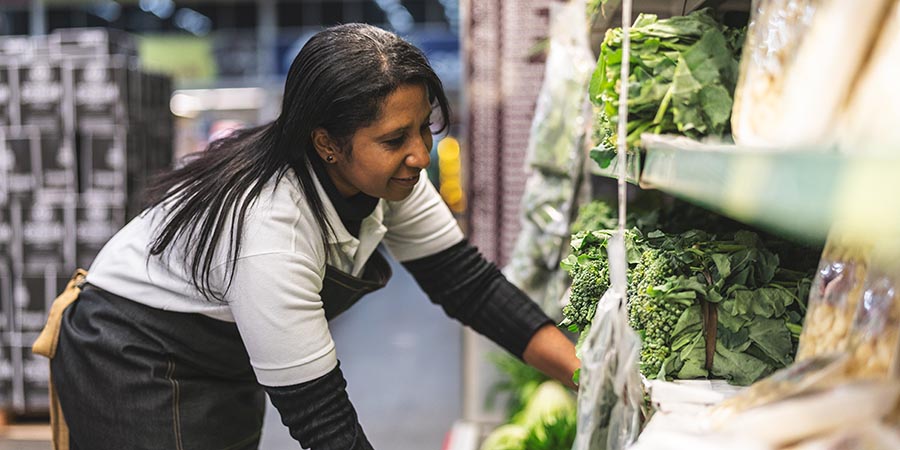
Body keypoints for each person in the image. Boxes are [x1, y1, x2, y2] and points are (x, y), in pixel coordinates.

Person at [38, 23, 579, 450]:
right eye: (394, 139)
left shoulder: (393, 179)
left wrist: (586, 374)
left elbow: (471, 287)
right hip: (131, 349)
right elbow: (321, 420)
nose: (420, 155)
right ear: (327, 143)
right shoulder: (272, 225)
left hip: (220, 348)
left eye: (424, 128)